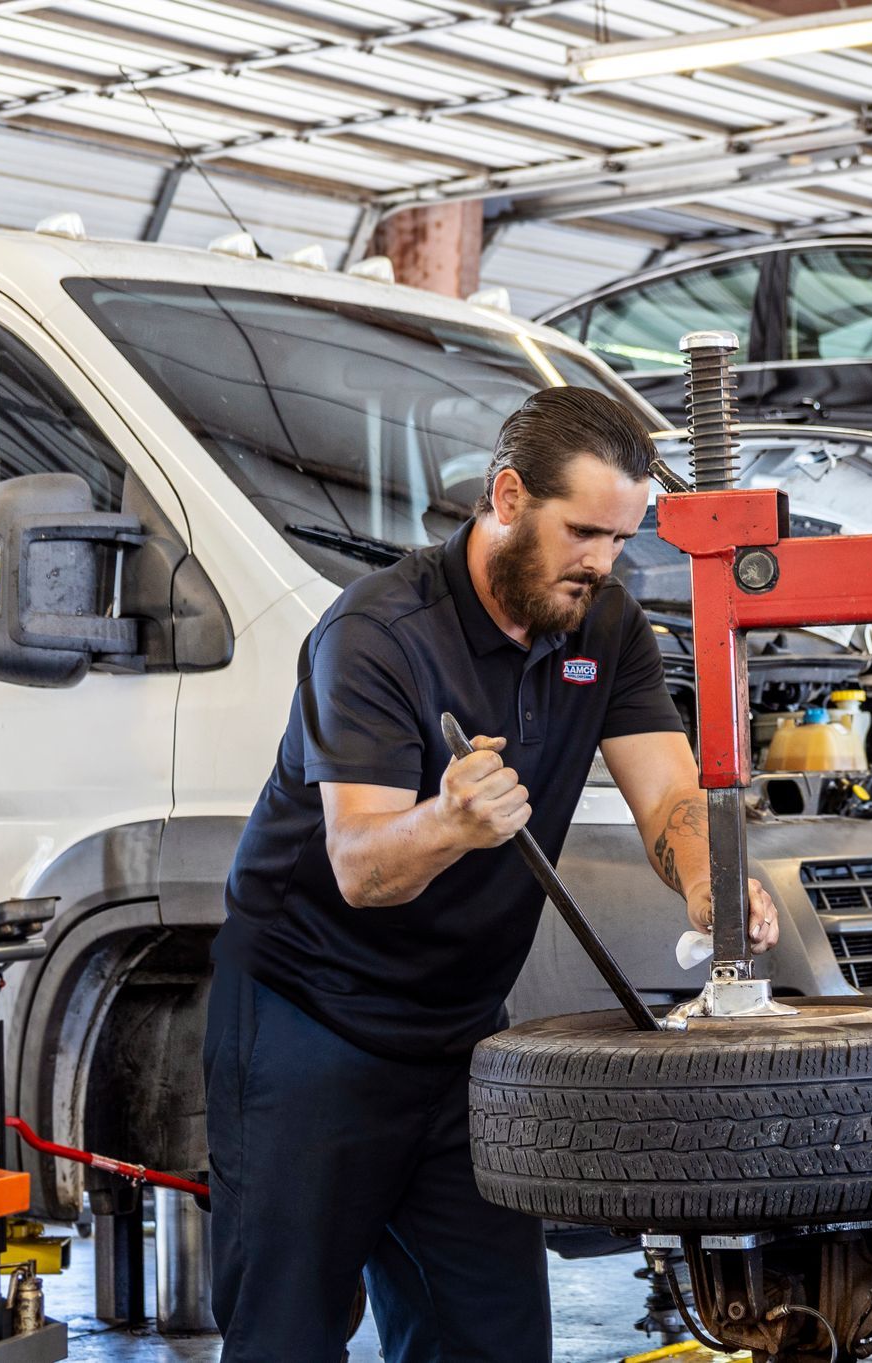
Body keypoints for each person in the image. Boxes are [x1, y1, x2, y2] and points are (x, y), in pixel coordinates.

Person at [203, 386, 780, 1362]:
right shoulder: (379, 634)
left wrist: (711, 884)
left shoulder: (609, 630)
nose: (602, 561)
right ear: (508, 498)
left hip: (462, 1038)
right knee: (287, 1338)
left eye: (620, 539)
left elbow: (672, 798)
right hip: (305, 1027)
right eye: (584, 532)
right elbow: (361, 866)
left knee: (495, 1342)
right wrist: (450, 820)